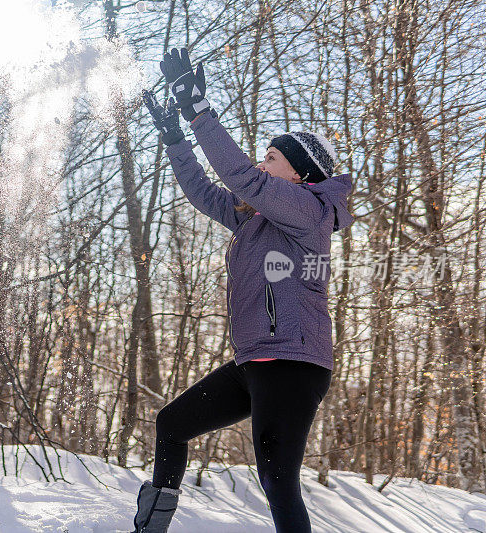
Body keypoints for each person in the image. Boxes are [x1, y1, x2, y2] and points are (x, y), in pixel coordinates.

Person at [132, 48, 354, 532]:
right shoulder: (253, 218)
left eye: (271, 158)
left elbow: (240, 176)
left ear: (298, 174)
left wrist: (198, 112)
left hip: (293, 364)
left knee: (277, 481)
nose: (260, 161)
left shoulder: (307, 211)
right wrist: (174, 137)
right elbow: (207, 193)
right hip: (255, 360)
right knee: (172, 425)